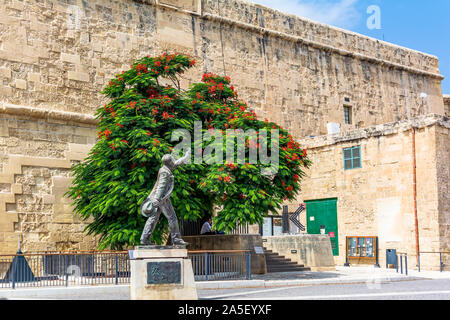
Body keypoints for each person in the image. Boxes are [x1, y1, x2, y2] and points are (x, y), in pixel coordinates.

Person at [140, 150, 191, 246]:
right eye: (172, 160)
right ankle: (176, 239)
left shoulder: (166, 168)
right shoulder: (165, 172)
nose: (174, 161)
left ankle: (144, 239)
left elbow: (177, 163)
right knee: (172, 217)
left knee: (153, 218)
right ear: (169, 162)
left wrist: (186, 157)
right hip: (160, 199)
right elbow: (161, 186)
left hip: (158, 199)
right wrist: (156, 200)